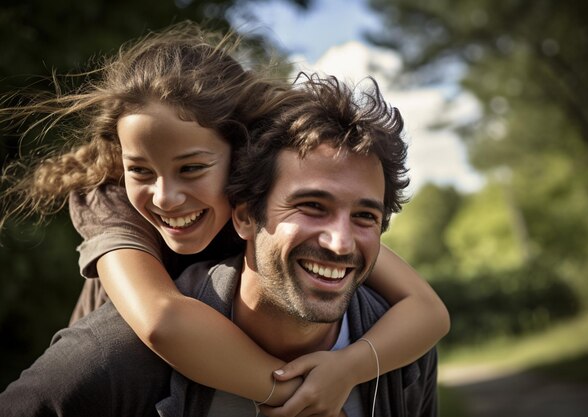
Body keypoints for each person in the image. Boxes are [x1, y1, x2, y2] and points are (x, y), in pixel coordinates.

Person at [0, 22, 447, 415]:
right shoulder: (115, 204)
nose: (165, 196)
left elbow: (426, 309)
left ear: (240, 162)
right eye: (141, 169)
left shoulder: (278, 207)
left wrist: (348, 368)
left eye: (191, 168)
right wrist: (301, 396)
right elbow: (161, 322)